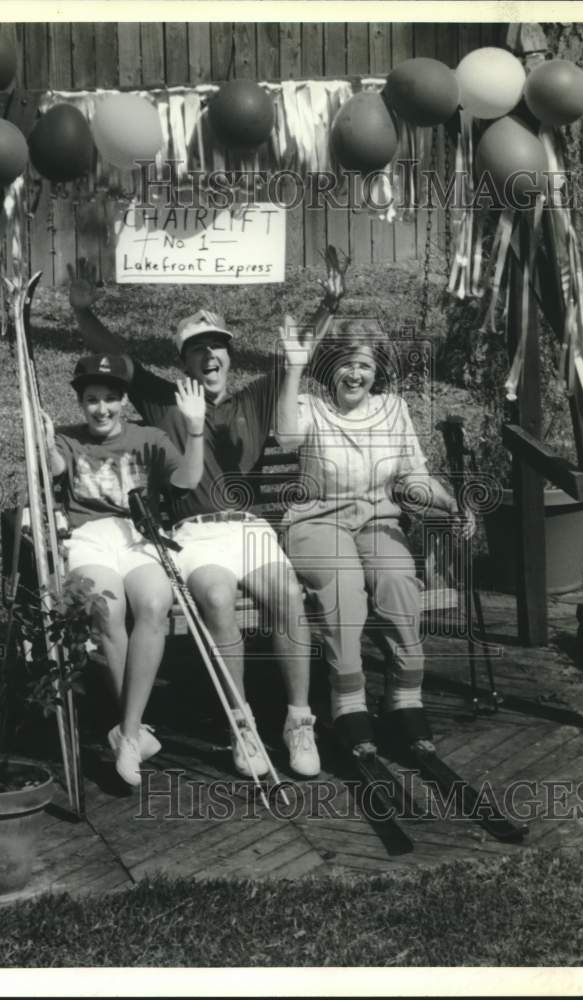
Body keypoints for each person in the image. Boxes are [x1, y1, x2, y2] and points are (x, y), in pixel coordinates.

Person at [67, 258, 346, 780]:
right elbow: (114, 356)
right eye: (197, 348)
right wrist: (82, 311)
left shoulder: (255, 397)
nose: (209, 354)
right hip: (192, 536)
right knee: (217, 598)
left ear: (228, 354)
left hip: (247, 527)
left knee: (286, 596)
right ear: (185, 362)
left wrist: (327, 307)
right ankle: (242, 726)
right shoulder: (165, 401)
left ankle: (297, 721)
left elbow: (295, 356)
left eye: (216, 345)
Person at [275, 318, 476, 757]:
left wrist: (450, 504)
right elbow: (286, 437)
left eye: (364, 365)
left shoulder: (394, 409)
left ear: (376, 370)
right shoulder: (311, 407)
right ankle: (347, 703)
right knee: (344, 586)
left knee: (397, 580)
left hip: (376, 519)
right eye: (345, 363)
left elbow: (411, 478)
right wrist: (293, 368)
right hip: (317, 522)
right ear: (329, 367)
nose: (355, 374)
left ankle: (404, 699)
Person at [41, 354, 206, 787]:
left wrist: (194, 428)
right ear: (80, 402)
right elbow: (53, 469)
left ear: (123, 399)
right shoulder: (67, 440)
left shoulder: (147, 437)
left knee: (155, 602)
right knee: (108, 611)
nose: (102, 409)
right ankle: (133, 733)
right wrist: (41, 441)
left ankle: (127, 733)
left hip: (138, 535)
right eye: (92, 400)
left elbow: (187, 480)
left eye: (111, 399)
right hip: (90, 537)